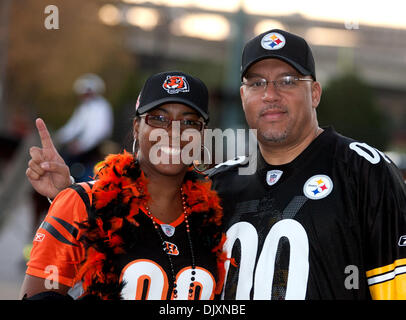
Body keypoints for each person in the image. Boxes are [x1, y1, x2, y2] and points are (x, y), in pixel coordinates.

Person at [25, 30, 406, 300]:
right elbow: (138, 225)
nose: (270, 95)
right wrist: (72, 197)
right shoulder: (218, 186)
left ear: (315, 93)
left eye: (288, 80)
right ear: (243, 97)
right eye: (257, 83)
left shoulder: (364, 171)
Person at [21, 71, 225, 300]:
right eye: (158, 118)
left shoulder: (217, 217)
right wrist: (69, 196)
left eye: (189, 122)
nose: (173, 132)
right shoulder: (81, 204)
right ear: (137, 127)